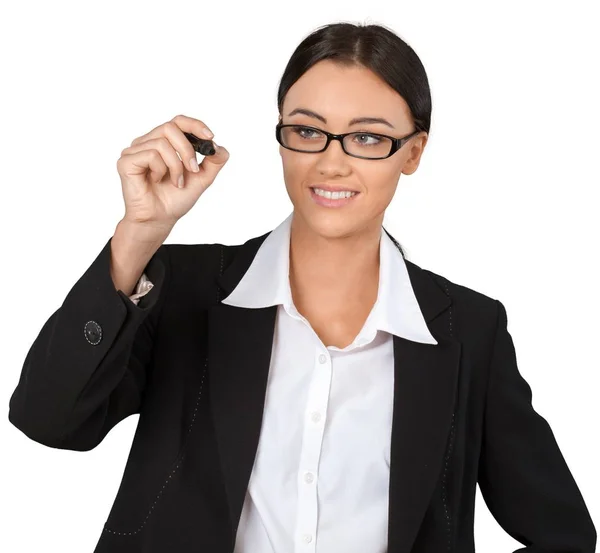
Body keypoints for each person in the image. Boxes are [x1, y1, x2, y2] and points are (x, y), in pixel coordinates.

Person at [7, 21, 596, 553]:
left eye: (368, 138)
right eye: (308, 131)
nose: (331, 163)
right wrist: (138, 236)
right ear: (282, 137)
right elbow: (47, 420)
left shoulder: (469, 329)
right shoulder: (183, 288)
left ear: (412, 153)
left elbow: (564, 535)